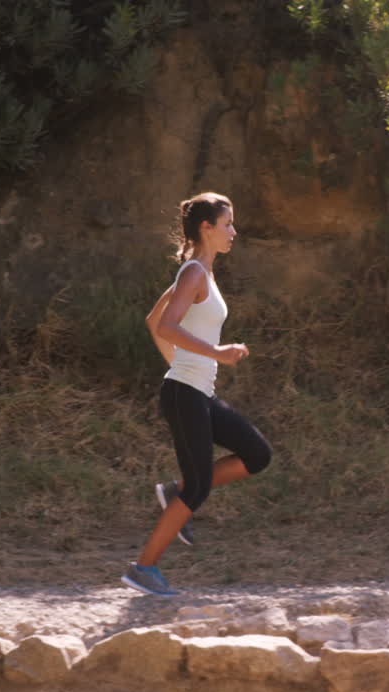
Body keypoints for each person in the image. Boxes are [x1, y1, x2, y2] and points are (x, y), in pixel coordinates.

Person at [122, 192, 272, 596]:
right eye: (227, 224)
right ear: (207, 228)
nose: (233, 232)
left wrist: (183, 361)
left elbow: (155, 320)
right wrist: (215, 354)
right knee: (199, 487)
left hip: (197, 392)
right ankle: (143, 568)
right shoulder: (193, 273)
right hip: (184, 394)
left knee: (257, 454)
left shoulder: (200, 272)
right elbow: (168, 325)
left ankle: (176, 493)